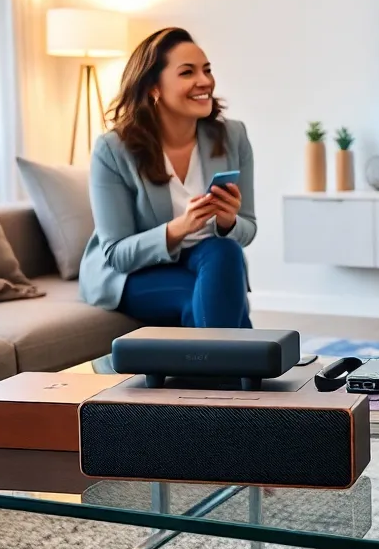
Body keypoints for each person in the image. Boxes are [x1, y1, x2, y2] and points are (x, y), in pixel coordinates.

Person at [79, 27, 257, 329]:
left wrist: (228, 222)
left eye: (207, 70)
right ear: (153, 88)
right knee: (207, 299)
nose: (205, 82)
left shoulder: (232, 136)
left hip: (209, 260)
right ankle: (244, 369)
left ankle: (217, 373)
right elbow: (117, 255)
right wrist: (178, 229)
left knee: (225, 250)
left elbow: (248, 229)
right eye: (187, 73)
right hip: (135, 273)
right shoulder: (113, 149)